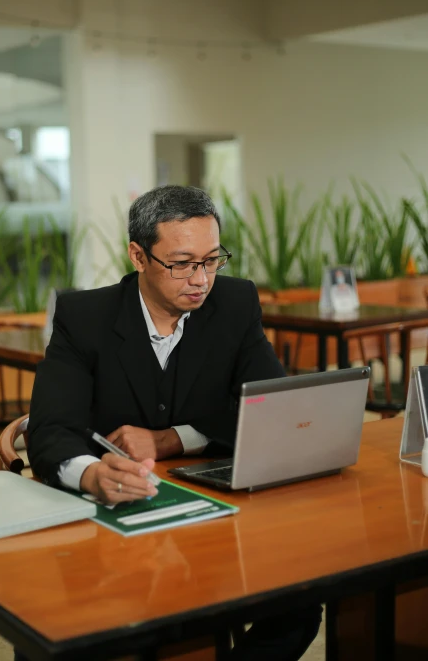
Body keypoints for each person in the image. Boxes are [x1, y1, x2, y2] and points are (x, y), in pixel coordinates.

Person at [26, 185, 322, 661]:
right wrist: (90, 473)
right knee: (88, 628)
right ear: (138, 256)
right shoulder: (85, 318)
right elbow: (50, 428)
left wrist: (176, 438)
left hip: (215, 518)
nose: (200, 279)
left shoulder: (235, 303)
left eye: (211, 260)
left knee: (301, 606)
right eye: (181, 263)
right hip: (115, 530)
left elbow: (272, 405)